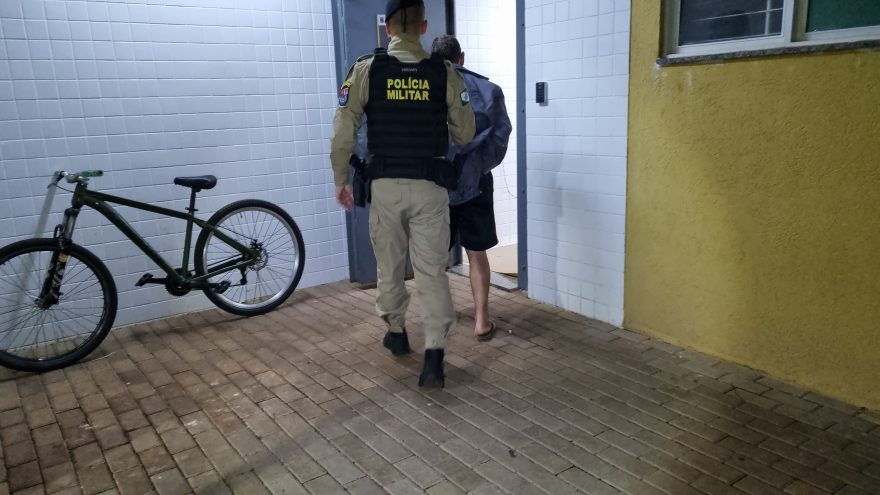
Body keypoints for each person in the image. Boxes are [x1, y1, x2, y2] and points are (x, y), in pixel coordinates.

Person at [329, 0, 475, 388]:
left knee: (390, 266)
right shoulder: (444, 72)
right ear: (423, 27)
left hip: (385, 189)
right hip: (430, 188)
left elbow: (342, 132)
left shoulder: (366, 69)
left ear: (388, 28)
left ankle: (396, 333)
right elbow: (465, 134)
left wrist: (341, 179)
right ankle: (434, 357)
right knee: (432, 272)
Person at [431, 35, 512, 341]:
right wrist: (478, 166)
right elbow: (501, 135)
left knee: (434, 258)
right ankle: (481, 321)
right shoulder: (488, 90)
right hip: (475, 184)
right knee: (477, 253)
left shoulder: (423, 91)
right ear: (461, 57)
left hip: (435, 188)